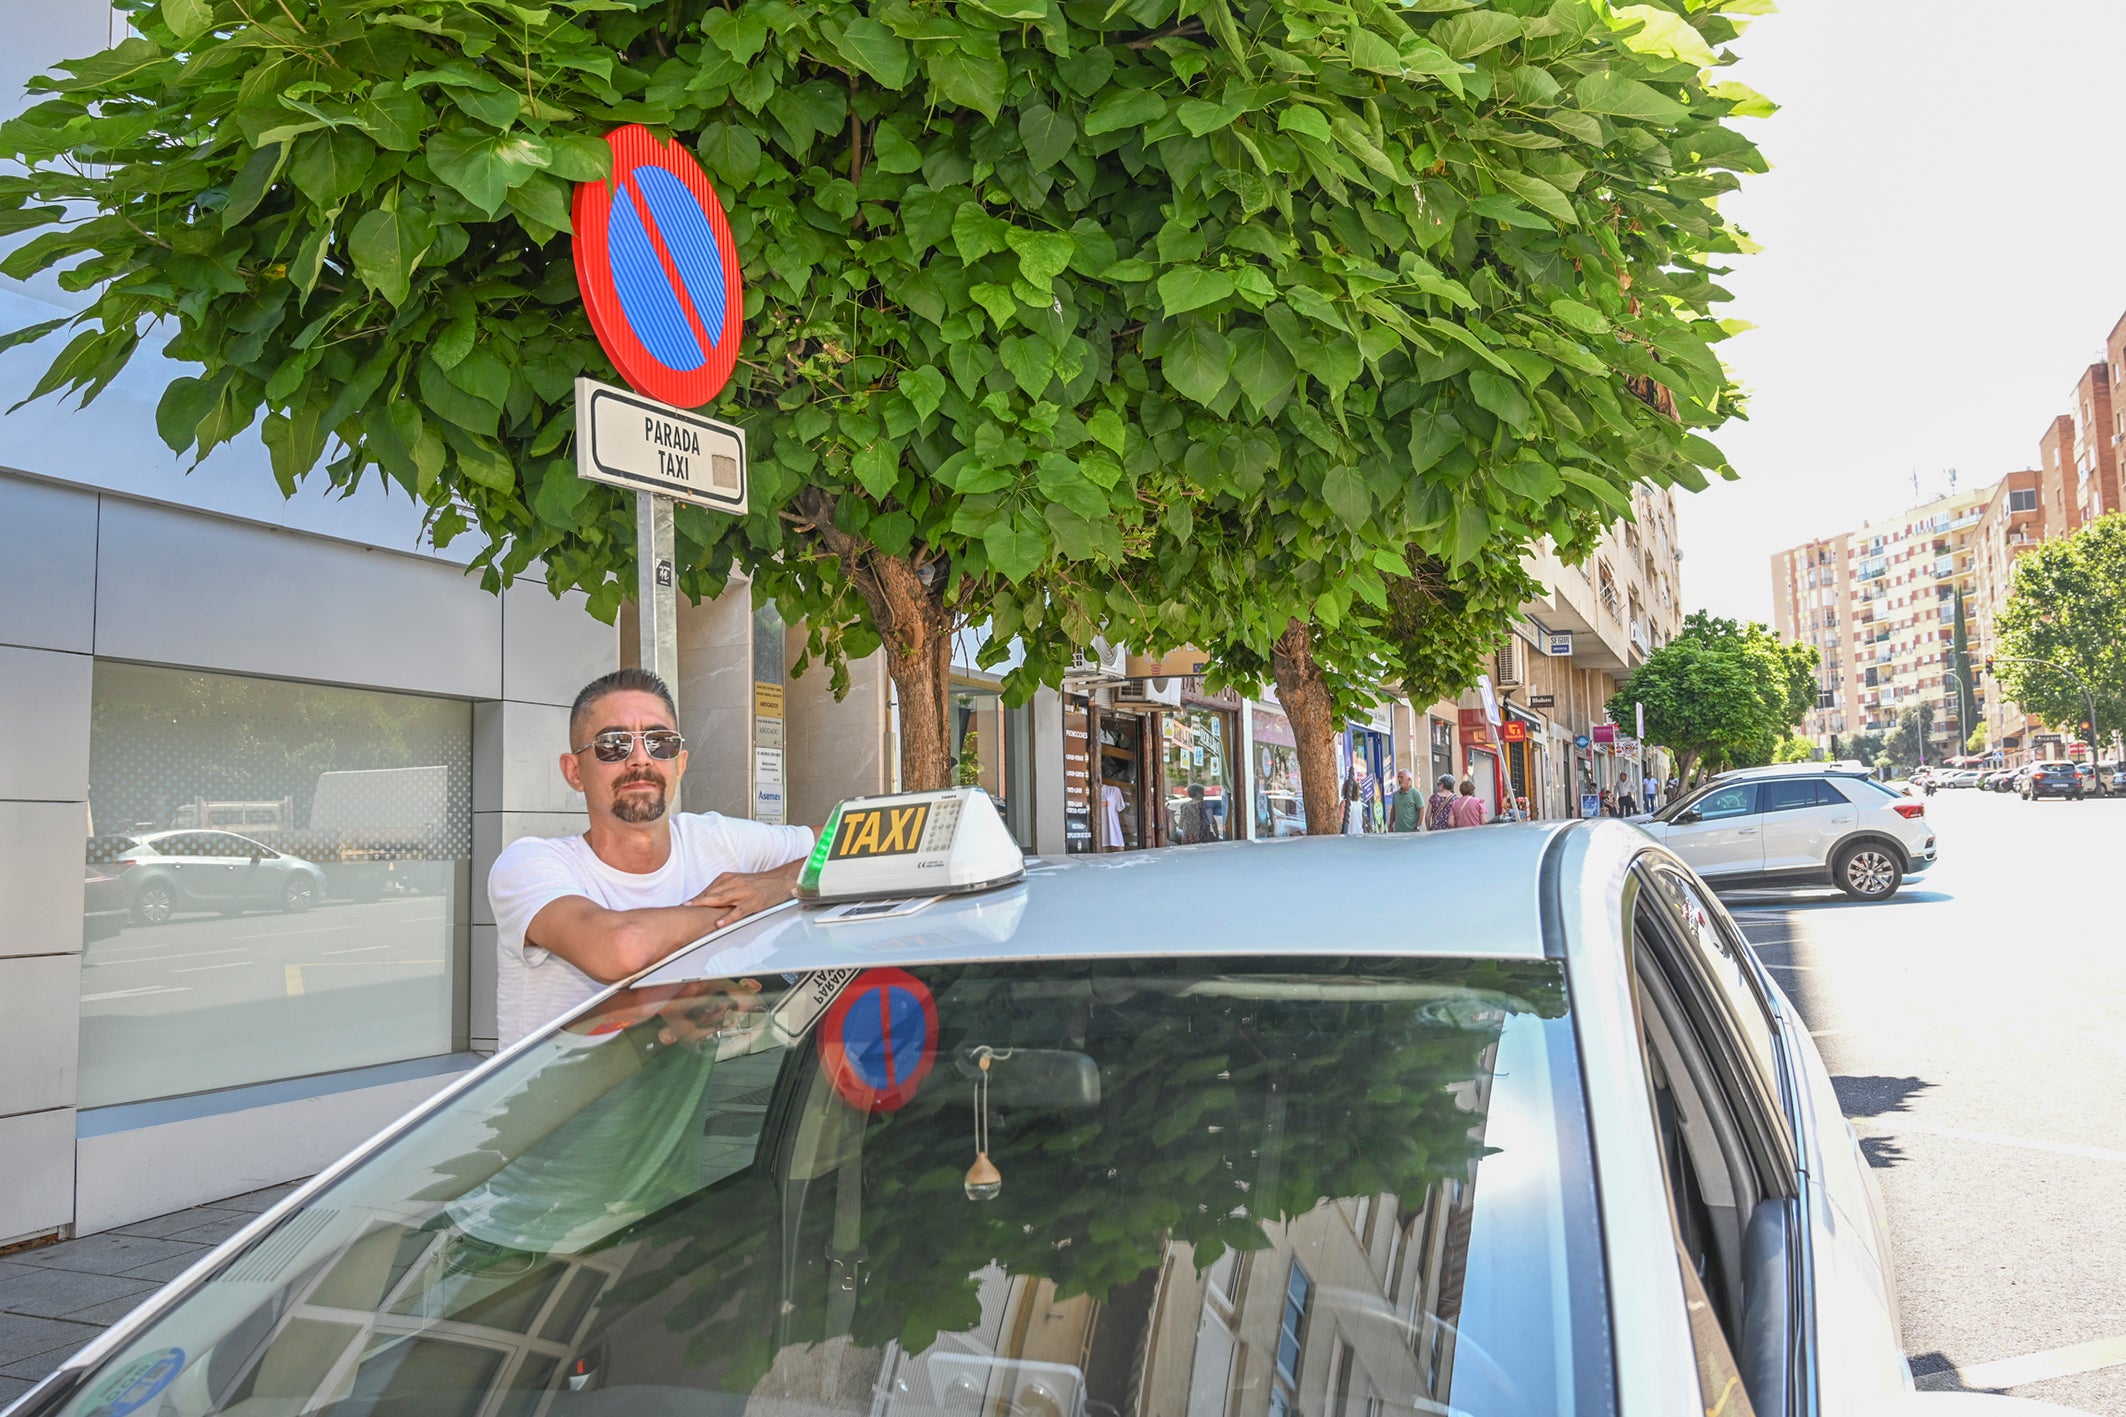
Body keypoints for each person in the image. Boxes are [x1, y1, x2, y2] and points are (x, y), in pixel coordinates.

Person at [487, 668, 817, 1047]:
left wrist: (778, 884)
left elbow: (849, 840)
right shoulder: (530, 864)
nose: (640, 760)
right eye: (613, 744)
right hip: (550, 1104)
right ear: (574, 771)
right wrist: (750, 905)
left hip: (692, 1106)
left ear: (680, 762)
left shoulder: (716, 839)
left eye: (660, 742)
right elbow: (622, 949)